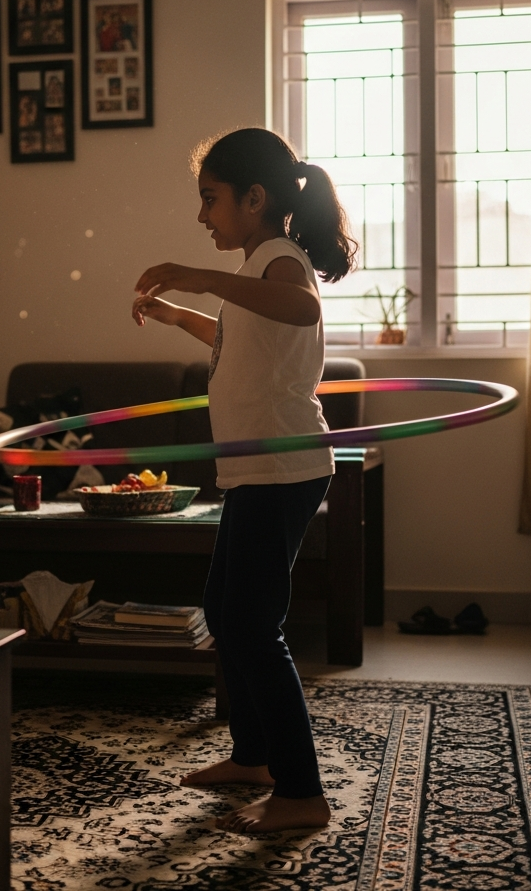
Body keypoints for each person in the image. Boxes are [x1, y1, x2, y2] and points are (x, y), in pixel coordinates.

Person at [131, 127, 357, 834]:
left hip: (282, 468)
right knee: (225, 613)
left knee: (254, 627)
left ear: (254, 198)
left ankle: (301, 791)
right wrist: (178, 315)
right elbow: (240, 342)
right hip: (255, 470)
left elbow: (302, 308)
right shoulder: (259, 267)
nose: (201, 215)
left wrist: (197, 276)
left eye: (211, 199)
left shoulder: (280, 261)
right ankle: (254, 756)